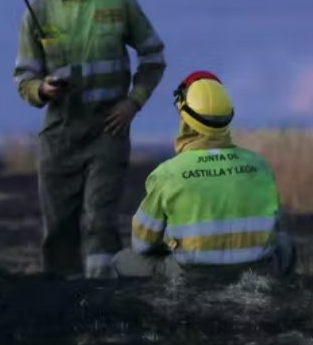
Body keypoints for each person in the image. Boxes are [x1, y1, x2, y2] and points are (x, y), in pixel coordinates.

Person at [13, 0, 167, 279]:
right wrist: (43, 89)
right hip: (59, 133)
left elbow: (154, 56)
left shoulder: (119, 3)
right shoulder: (38, 11)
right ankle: (60, 306)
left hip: (107, 131)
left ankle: (103, 305)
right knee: (59, 227)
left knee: (101, 221)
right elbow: (24, 79)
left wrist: (133, 102)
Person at [112, 71, 297, 279]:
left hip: (192, 275)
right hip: (258, 271)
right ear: (229, 115)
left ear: (185, 119)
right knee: (286, 245)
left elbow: (142, 244)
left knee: (123, 260)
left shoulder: (167, 173)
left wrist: (175, 241)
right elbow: (276, 226)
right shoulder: (260, 166)